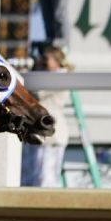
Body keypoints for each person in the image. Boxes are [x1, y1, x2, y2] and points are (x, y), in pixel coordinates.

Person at [20, 45, 72, 187]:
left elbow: (36, 91)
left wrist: (28, 73)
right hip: (36, 133)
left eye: (46, 59)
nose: (42, 62)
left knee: (45, 181)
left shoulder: (60, 77)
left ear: (57, 61)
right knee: (28, 180)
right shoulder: (46, 75)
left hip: (51, 136)